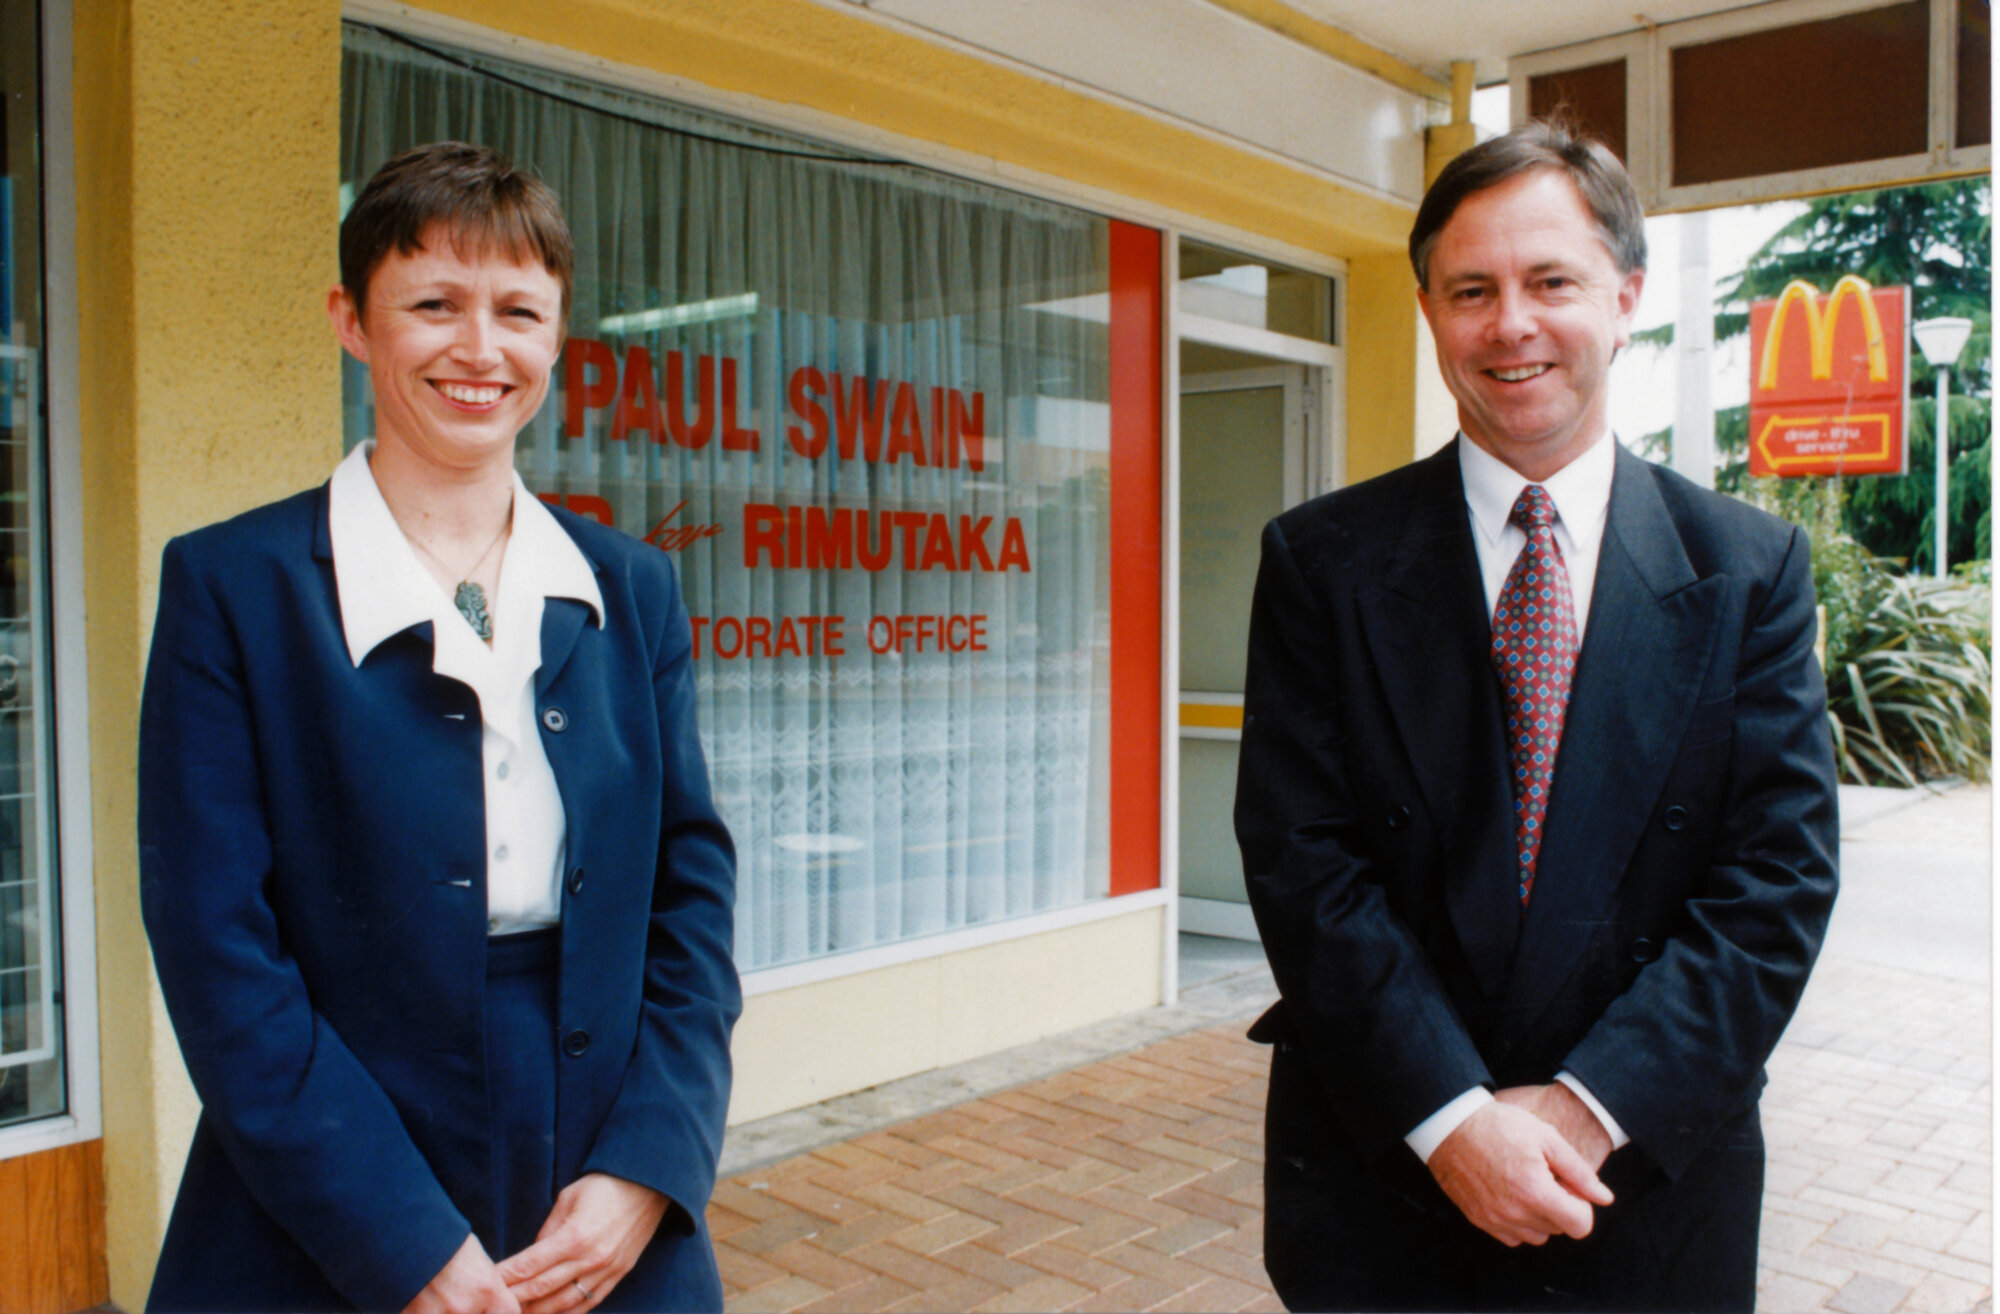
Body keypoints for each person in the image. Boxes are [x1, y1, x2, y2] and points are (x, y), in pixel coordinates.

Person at [1235, 119, 1839, 1313]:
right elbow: (1303, 866)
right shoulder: (1320, 560)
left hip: (1640, 1180)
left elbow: (1774, 881)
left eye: (1548, 281)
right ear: (1427, 313)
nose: (1509, 324)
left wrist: (1576, 1112)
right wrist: (1454, 1120)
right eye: (1471, 290)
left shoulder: (1747, 568)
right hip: (1387, 1171)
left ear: (1622, 297)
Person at [139, 142, 739, 1313]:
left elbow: (688, 892)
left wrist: (648, 1168)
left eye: (519, 310)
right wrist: (396, 1239)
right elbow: (217, 947)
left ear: (557, 338)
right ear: (351, 322)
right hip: (326, 1172)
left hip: (601, 1182)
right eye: (433, 304)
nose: (480, 350)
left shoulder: (631, 587)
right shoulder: (232, 587)